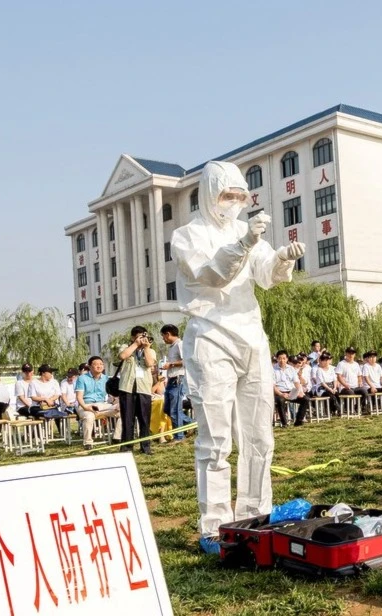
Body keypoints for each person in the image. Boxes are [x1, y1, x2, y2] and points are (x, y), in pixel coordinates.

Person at [171, 160, 304, 554]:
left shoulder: (247, 233)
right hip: (210, 333)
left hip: (251, 335)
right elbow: (212, 275)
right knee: (216, 436)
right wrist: (244, 244)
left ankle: (255, 514)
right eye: (227, 194)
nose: (233, 202)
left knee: (259, 432)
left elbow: (266, 275)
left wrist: (283, 257)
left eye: (239, 195)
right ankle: (214, 525)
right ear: (210, 193)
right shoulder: (186, 236)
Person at [117, 327, 157, 455]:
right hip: (127, 388)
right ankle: (127, 446)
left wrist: (145, 347)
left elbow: (150, 363)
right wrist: (135, 344)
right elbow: (122, 356)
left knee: (144, 419)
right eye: (140, 336)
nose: (143, 339)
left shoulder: (150, 350)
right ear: (133, 337)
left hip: (144, 388)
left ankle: (145, 447)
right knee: (127, 418)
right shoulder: (126, 347)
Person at [75, 355, 115, 450]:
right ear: (89, 366)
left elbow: (112, 395)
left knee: (122, 411)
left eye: (101, 364)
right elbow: (79, 397)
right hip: (86, 405)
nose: (99, 366)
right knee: (89, 416)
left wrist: (115, 402)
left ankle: (117, 437)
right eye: (96, 364)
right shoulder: (82, 378)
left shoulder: (106, 379)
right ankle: (88, 442)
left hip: (102, 405)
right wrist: (85, 407)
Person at [161, 324, 192, 441]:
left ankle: (179, 436)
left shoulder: (180, 344)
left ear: (168, 334)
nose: (163, 339)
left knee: (175, 410)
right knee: (168, 409)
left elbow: (186, 361)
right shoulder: (172, 347)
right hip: (171, 380)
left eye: (163, 336)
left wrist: (171, 364)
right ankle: (191, 423)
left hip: (178, 380)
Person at [272, 350, 303, 427]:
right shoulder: (272, 369)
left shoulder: (291, 369)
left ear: (287, 359)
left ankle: (298, 421)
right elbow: (273, 385)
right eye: (280, 358)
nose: (282, 360)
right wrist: (281, 394)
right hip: (279, 392)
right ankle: (284, 423)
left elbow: (296, 382)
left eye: (284, 358)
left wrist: (299, 391)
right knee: (280, 400)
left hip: (291, 391)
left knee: (305, 399)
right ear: (277, 359)